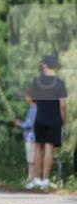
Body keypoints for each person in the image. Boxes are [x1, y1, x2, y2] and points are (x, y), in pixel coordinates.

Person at [29, 54, 68, 190]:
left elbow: (31, 99)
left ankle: (36, 180)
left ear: (44, 65)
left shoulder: (36, 81)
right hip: (54, 120)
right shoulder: (60, 83)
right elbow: (62, 105)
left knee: (37, 148)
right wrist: (63, 121)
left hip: (40, 118)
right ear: (55, 66)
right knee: (49, 148)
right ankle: (45, 181)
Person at [14, 89, 37, 186]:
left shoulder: (33, 109)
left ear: (31, 98)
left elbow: (29, 124)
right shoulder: (33, 108)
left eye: (27, 96)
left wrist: (19, 124)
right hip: (32, 138)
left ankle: (32, 179)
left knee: (31, 159)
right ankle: (31, 178)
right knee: (30, 159)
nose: (25, 98)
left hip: (31, 138)